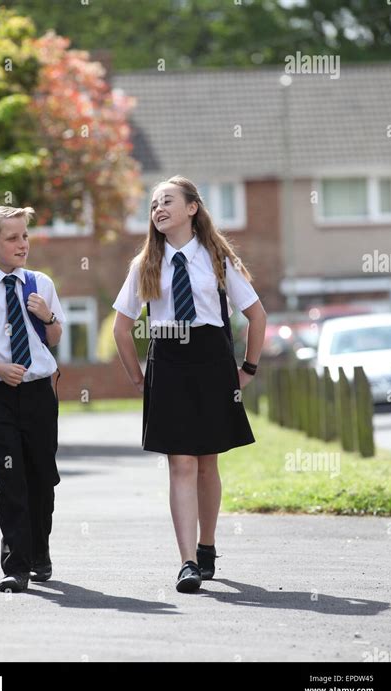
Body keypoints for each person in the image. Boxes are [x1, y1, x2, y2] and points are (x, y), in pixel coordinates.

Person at [112, 175, 266, 593]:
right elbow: (121, 328)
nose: (158, 209)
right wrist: (138, 377)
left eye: (167, 201)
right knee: (181, 462)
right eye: (153, 205)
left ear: (192, 208)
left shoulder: (218, 258)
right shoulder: (146, 262)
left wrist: (247, 369)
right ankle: (187, 563)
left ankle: (207, 546)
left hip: (212, 360)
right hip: (169, 362)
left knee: (207, 463)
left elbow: (257, 316)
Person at [0, 206, 66, 592]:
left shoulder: (40, 283)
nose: (23, 244)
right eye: (12, 238)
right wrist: (0, 369)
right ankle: (15, 565)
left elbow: (54, 339)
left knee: (42, 476)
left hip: (38, 392)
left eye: (24, 236)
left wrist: (48, 317)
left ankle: (39, 551)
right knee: (10, 475)